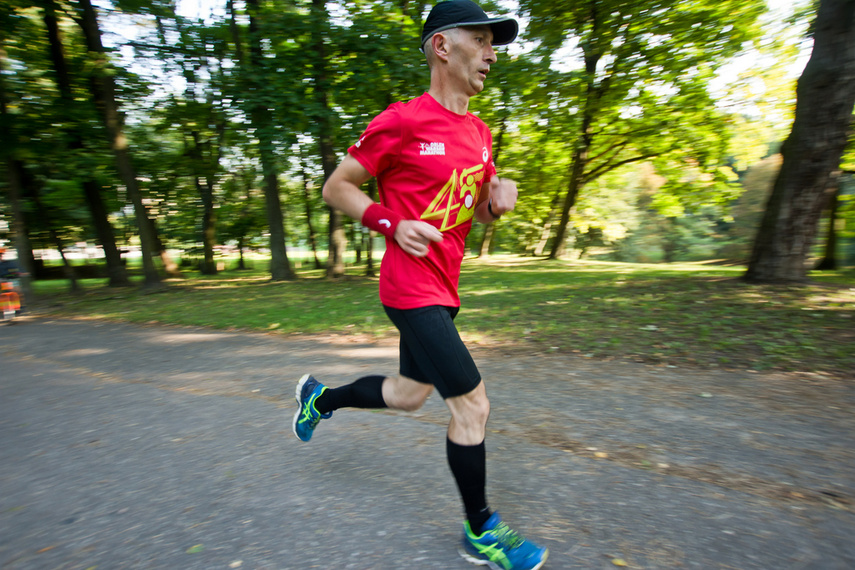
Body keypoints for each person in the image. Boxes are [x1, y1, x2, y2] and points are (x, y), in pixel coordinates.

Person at [293, 2, 548, 569]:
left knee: (409, 395)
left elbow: (472, 211)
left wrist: (496, 203)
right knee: (473, 405)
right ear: (442, 46)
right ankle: (481, 530)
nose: (491, 54)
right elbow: (337, 187)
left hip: (445, 286)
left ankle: (319, 399)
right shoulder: (402, 121)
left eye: (494, 44)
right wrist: (390, 222)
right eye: (481, 40)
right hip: (409, 287)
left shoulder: (480, 133)